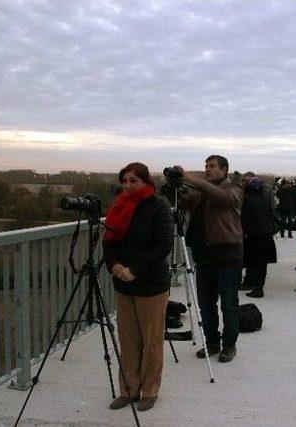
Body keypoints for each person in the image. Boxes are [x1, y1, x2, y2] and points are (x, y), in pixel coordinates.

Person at [103, 162, 174, 412]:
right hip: (124, 284)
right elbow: (108, 241)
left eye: (133, 180)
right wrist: (115, 266)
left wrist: (135, 269)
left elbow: (163, 245)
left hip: (151, 284)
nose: (128, 185)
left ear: (145, 182)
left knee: (151, 341)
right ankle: (128, 390)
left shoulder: (158, 207)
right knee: (128, 340)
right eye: (124, 180)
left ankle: (149, 390)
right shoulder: (119, 206)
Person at [174, 155, 244, 363]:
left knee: (228, 303)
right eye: (206, 166)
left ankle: (229, 345)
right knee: (206, 303)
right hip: (204, 253)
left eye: (212, 166)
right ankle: (212, 342)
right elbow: (183, 203)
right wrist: (175, 186)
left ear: (224, 171)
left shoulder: (233, 188)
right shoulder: (199, 192)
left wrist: (191, 178)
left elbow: (223, 198)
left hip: (228, 252)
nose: (207, 169)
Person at [241, 175, 278, 298]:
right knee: (262, 263)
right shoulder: (266, 198)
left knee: (253, 261)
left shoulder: (248, 199)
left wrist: (243, 230)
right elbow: (272, 214)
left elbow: (244, 218)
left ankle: (254, 286)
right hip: (266, 234)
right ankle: (259, 286)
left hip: (253, 235)